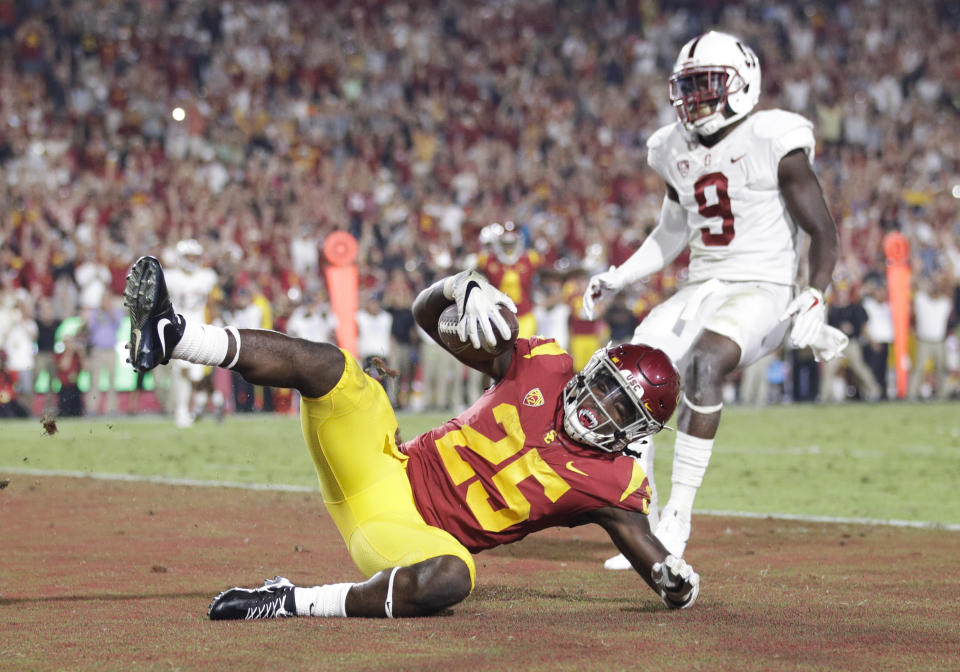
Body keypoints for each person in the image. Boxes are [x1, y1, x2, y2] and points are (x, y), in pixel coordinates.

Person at [123, 255, 700, 620]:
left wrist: (676, 585)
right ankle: (175, 335)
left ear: (637, 431)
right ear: (589, 368)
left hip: (404, 535)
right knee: (337, 370)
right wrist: (457, 287)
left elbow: (655, 562)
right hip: (383, 468)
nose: (598, 405)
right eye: (602, 386)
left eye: (619, 406)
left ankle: (290, 600)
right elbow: (428, 319)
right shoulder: (542, 365)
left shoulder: (616, 482)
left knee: (454, 577)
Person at [583, 31, 847, 565]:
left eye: (706, 85)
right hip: (704, 286)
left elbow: (822, 230)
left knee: (704, 363)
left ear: (742, 82)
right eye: (688, 87)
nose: (694, 99)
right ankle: (646, 525)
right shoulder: (671, 148)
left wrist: (817, 293)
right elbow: (669, 233)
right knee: (631, 376)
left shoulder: (775, 137)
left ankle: (678, 518)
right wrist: (621, 274)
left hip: (766, 288)